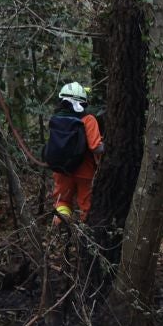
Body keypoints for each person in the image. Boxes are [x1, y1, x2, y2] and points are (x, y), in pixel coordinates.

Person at [45, 81, 103, 224]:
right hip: (85, 172)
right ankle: (85, 237)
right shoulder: (88, 120)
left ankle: (60, 236)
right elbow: (96, 147)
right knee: (86, 206)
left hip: (61, 171)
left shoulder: (56, 120)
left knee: (62, 203)